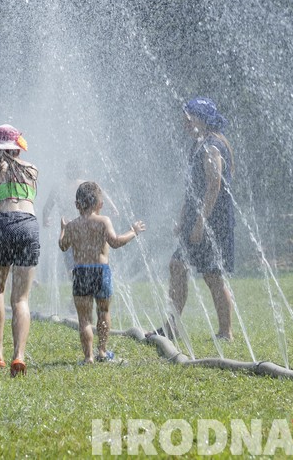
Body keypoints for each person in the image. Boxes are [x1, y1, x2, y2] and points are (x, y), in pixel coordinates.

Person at [148, 97, 235, 341]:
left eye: (191, 116)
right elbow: (193, 187)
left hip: (211, 220)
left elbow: (213, 186)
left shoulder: (212, 146)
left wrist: (200, 223)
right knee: (177, 265)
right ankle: (171, 326)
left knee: (212, 275)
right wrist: (183, 217)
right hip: (197, 218)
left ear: (202, 118)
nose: (186, 121)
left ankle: (226, 332)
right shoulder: (199, 144)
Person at [59, 181, 145, 364]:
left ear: (77, 204)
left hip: (81, 272)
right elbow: (115, 242)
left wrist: (62, 230)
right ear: (100, 204)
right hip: (101, 271)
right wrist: (133, 231)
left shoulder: (73, 225)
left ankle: (88, 356)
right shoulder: (103, 221)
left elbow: (63, 246)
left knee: (84, 318)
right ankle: (103, 352)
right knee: (103, 311)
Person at [0, 124, 39, 377]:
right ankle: (19, 356)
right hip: (29, 226)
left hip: (4, 225)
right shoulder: (33, 169)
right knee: (21, 298)